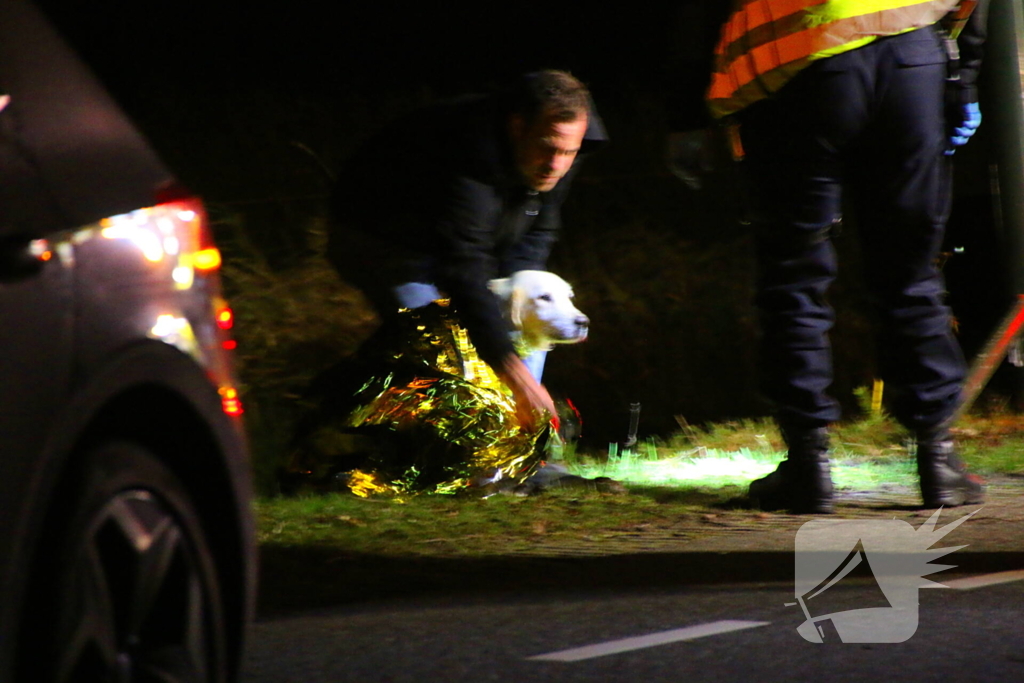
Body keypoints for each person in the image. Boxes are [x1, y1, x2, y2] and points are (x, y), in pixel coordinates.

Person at [669, 1, 990, 513]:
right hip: (910, 55)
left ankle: (808, 466)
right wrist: (963, 78)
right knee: (910, 269)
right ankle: (938, 459)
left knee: (795, 276)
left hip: (794, 65)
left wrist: (687, 114)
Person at [329, 70, 607, 430]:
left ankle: (528, 454)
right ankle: (356, 430)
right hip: (383, 235)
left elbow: (539, 227)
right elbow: (464, 266)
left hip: (463, 236)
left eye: (568, 152)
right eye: (547, 148)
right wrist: (514, 374)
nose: (556, 164)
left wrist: (516, 318)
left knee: (523, 315)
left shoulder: (566, 141)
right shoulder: (470, 150)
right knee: (439, 344)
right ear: (517, 126)